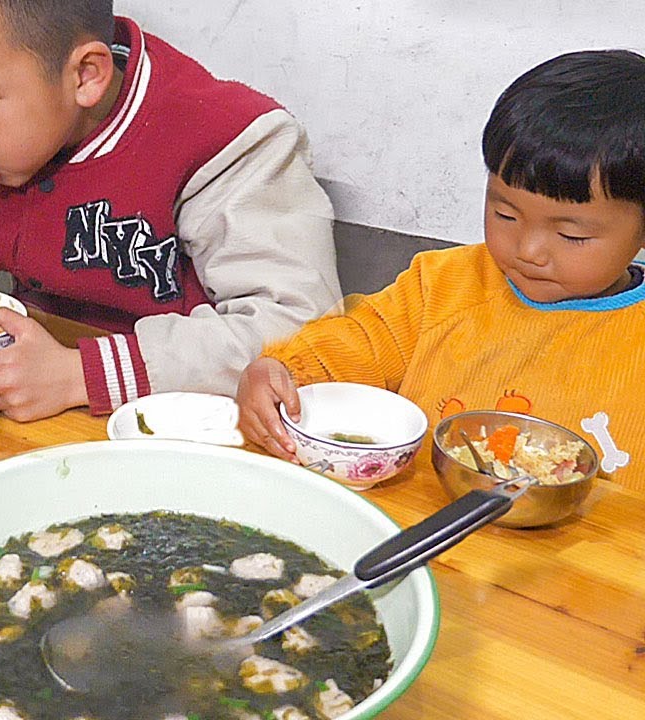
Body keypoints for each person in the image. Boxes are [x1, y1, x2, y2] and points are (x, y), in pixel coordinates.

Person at [0, 0, 340, 421]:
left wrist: (79, 375)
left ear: (86, 75)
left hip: (185, 429)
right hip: (33, 411)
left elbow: (301, 330)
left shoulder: (228, 142)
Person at [237, 50, 645, 491]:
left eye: (572, 237)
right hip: (418, 534)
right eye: (505, 214)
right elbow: (353, 345)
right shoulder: (442, 287)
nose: (529, 251)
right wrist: (282, 373)